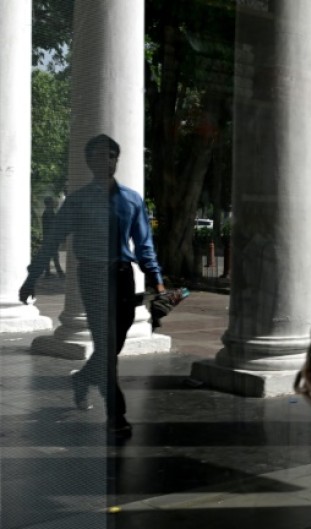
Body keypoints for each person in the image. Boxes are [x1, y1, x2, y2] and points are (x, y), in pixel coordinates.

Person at [19, 134, 169, 439]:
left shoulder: (132, 200)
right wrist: (32, 276)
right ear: (89, 161)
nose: (106, 160)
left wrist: (157, 282)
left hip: (123, 277)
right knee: (106, 345)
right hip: (92, 276)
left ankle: (83, 379)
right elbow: (50, 242)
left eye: (111, 155)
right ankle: (117, 415)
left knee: (111, 347)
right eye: (99, 155)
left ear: (117, 159)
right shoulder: (77, 201)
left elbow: (144, 245)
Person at [41, 196, 66, 278]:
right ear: (49, 203)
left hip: (48, 237)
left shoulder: (48, 212)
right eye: (52, 202)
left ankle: (48, 273)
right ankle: (60, 273)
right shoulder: (49, 212)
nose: (54, 203)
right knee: (55, 255)